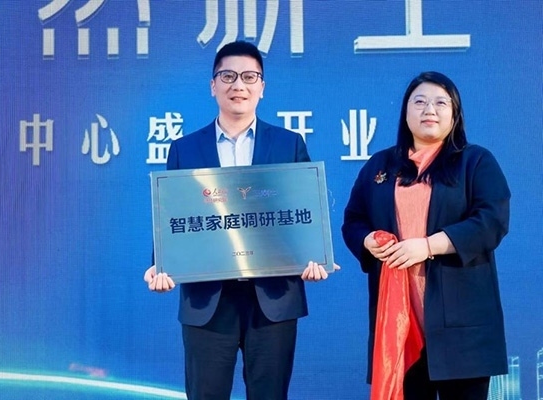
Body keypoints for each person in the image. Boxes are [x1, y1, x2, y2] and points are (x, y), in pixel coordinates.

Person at [144, 40, 337, 400]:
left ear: (262, 87)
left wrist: (315, 255)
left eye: (249, 77)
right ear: (213, 85)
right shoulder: (185, 148)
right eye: (228, 76)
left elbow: (303, 211)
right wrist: (161, 263)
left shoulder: (289, 144)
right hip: (207, 299)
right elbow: (174, 213)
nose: (239, 85)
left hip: (273, 298)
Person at [342, 71, 510, 400]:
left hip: (462, 328)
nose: (429, 110)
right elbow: (353, 220)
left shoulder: (475, 161)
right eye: (419, 102)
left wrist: (428, 246)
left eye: (440, 103)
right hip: (399, 327)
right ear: (405, 113)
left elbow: (491, 221)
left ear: (454, 114)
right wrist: (367, 240)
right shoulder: (380, 165)